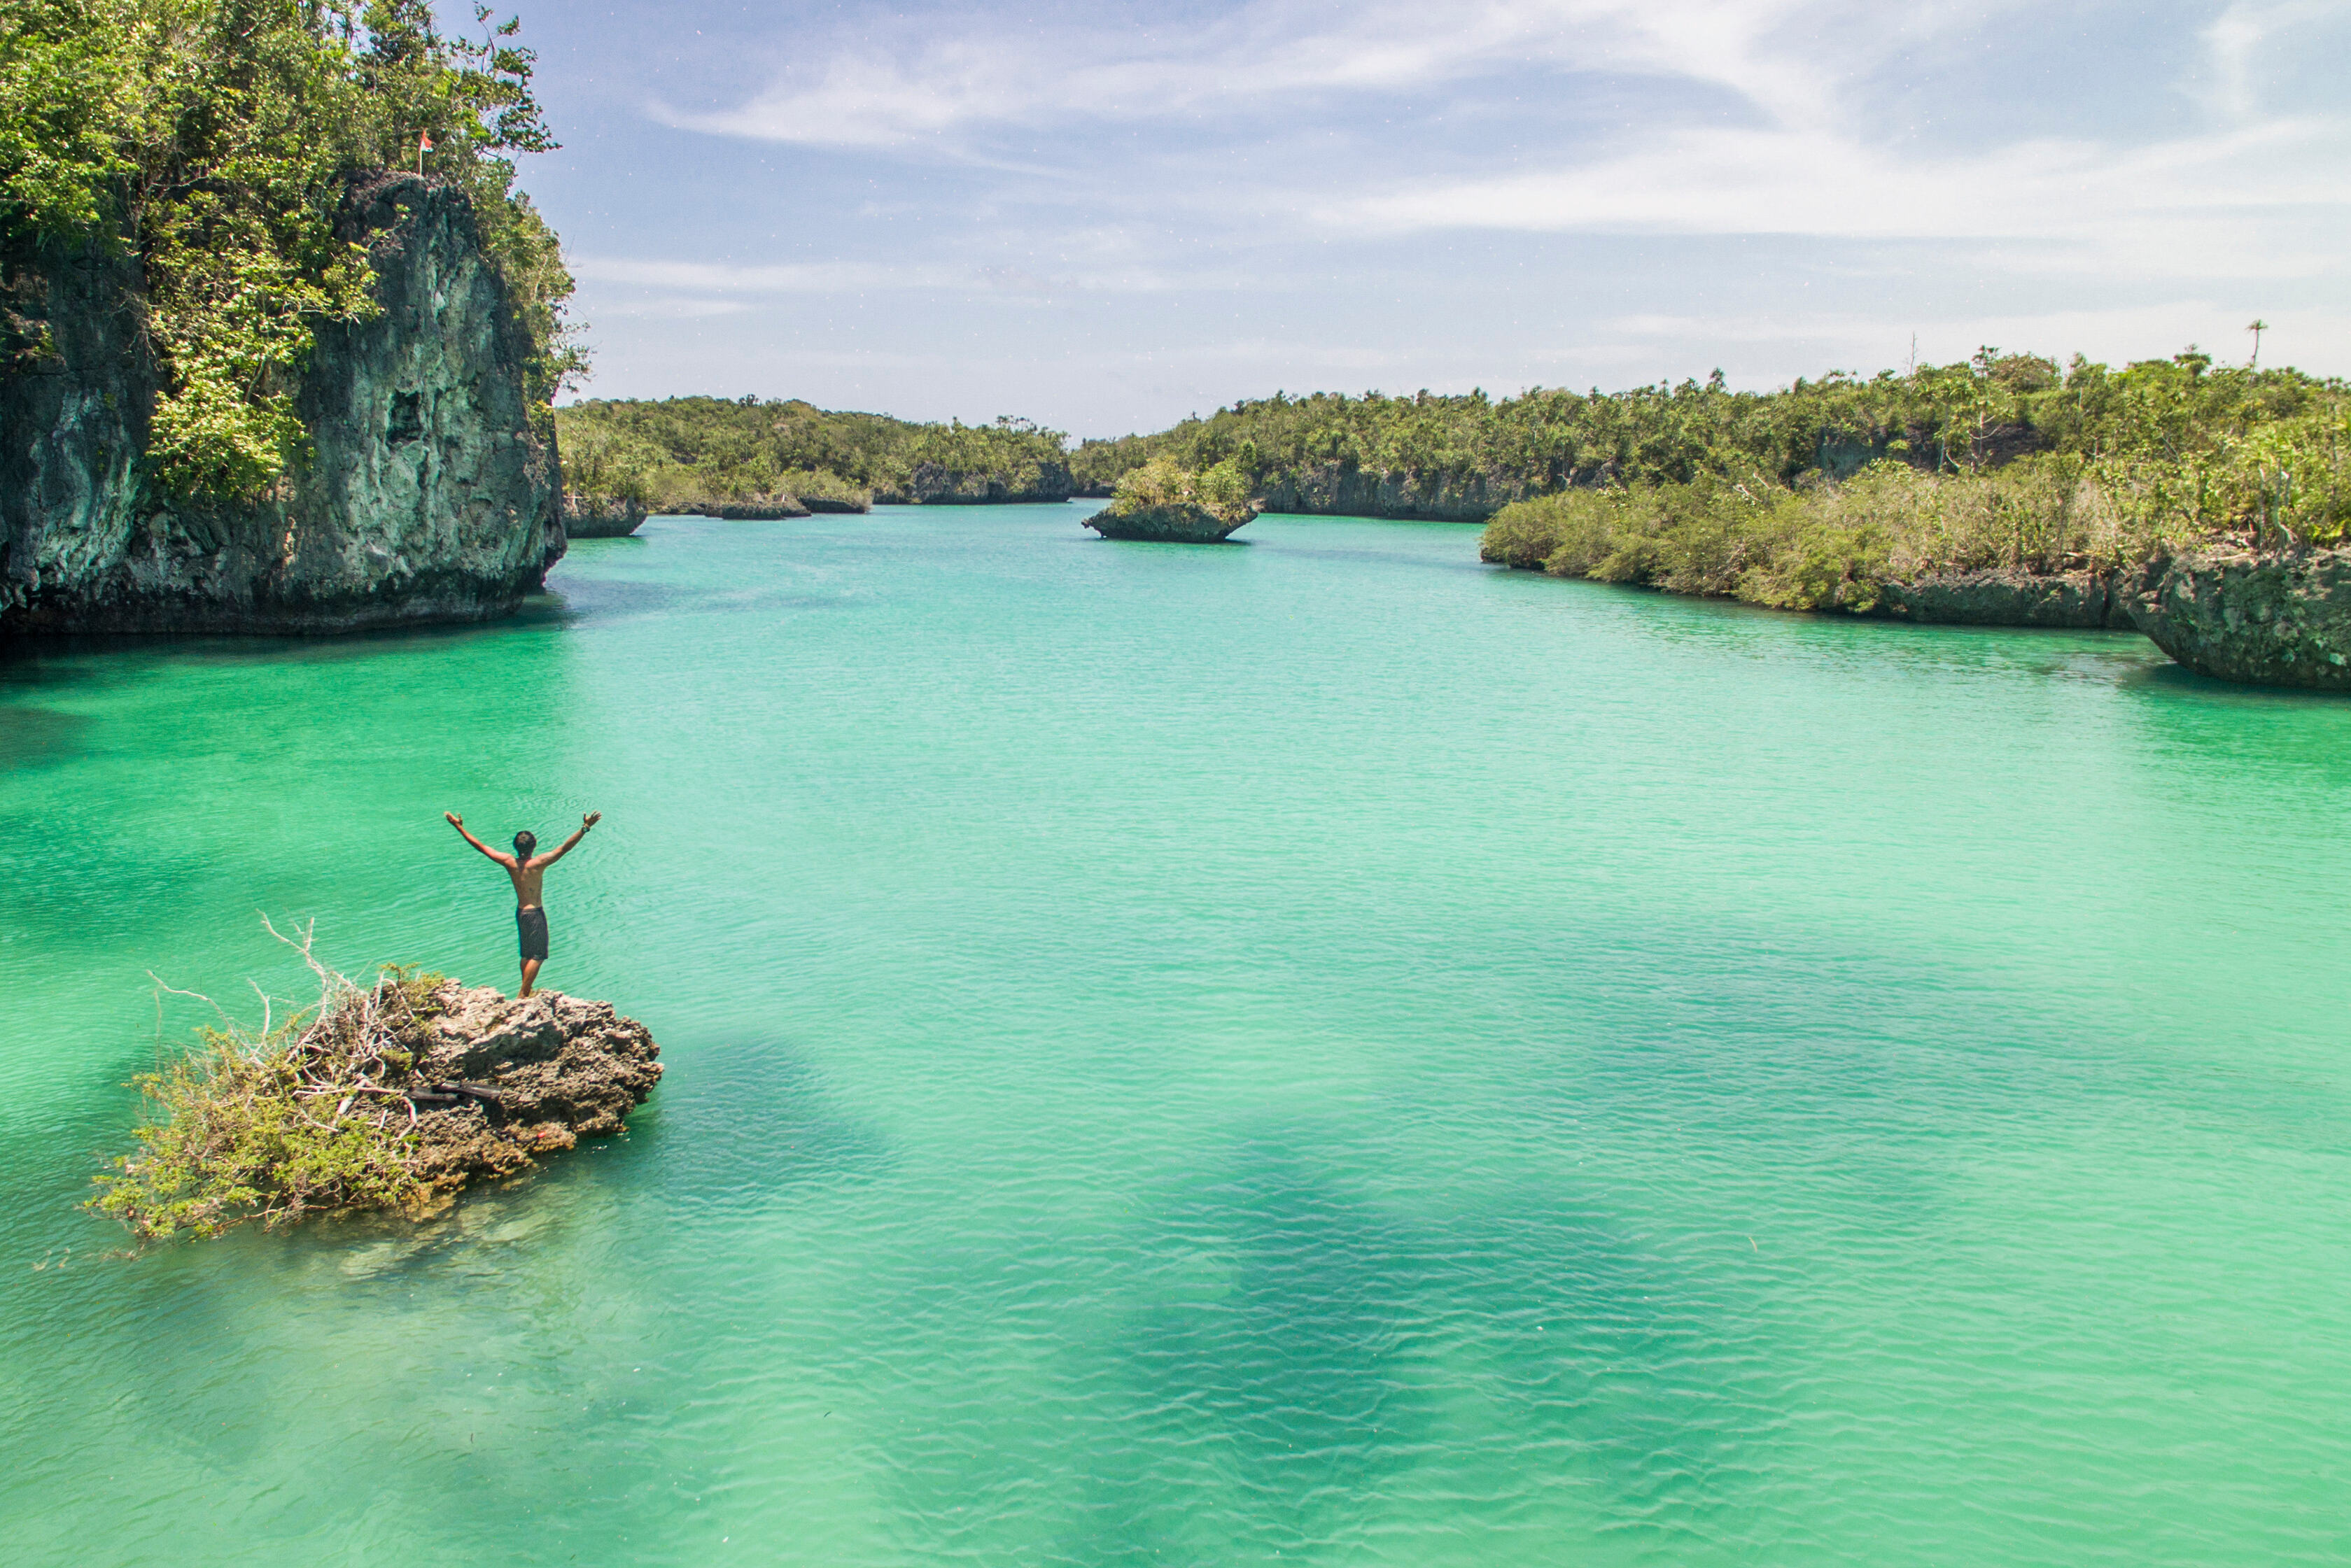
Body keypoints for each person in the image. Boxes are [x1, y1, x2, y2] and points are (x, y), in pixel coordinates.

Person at [444, 810, 601, 998]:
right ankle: (523, 993)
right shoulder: (538, 863)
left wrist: (459, 827)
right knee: (538, 956)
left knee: (526, 955)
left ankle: (525, 990)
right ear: (534, 846)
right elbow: (564, 848)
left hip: (521, 913)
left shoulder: (509, 862)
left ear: (515, 847)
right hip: (535, 914)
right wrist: (585, 828)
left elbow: (481, 847)